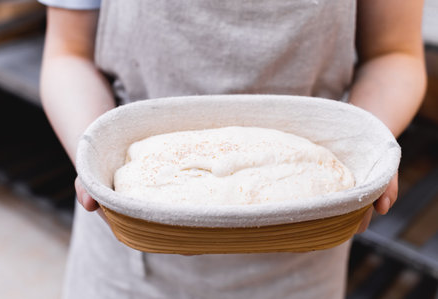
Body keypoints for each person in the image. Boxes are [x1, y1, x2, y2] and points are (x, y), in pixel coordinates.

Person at [39, 1, 426, 298]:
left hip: (304, 252)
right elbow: (67, 53)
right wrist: (96, 156)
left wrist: (367, 143)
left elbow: (394, 53)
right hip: (126, 259)